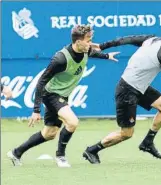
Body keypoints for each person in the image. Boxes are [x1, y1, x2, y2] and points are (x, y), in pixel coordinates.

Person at [7, 24, 120, 167]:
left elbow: (91, 52)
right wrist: (36, 110)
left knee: (49, 133)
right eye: (88, 40)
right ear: (78, 42)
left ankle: (16, 153)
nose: (90, 43)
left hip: (63, 95)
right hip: (51, 94)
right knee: (72, 122)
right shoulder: (60, 59)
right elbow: (41, 82)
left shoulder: (85, 49)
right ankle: (60, 156)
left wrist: (106, 56)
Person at [83, 22, 161, 164]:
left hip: (140, 87)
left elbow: (127, 39)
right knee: (126, 133)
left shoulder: (152, 39)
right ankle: (92, 150)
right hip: (127, 90)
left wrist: (103, 46)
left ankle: (147, 142)